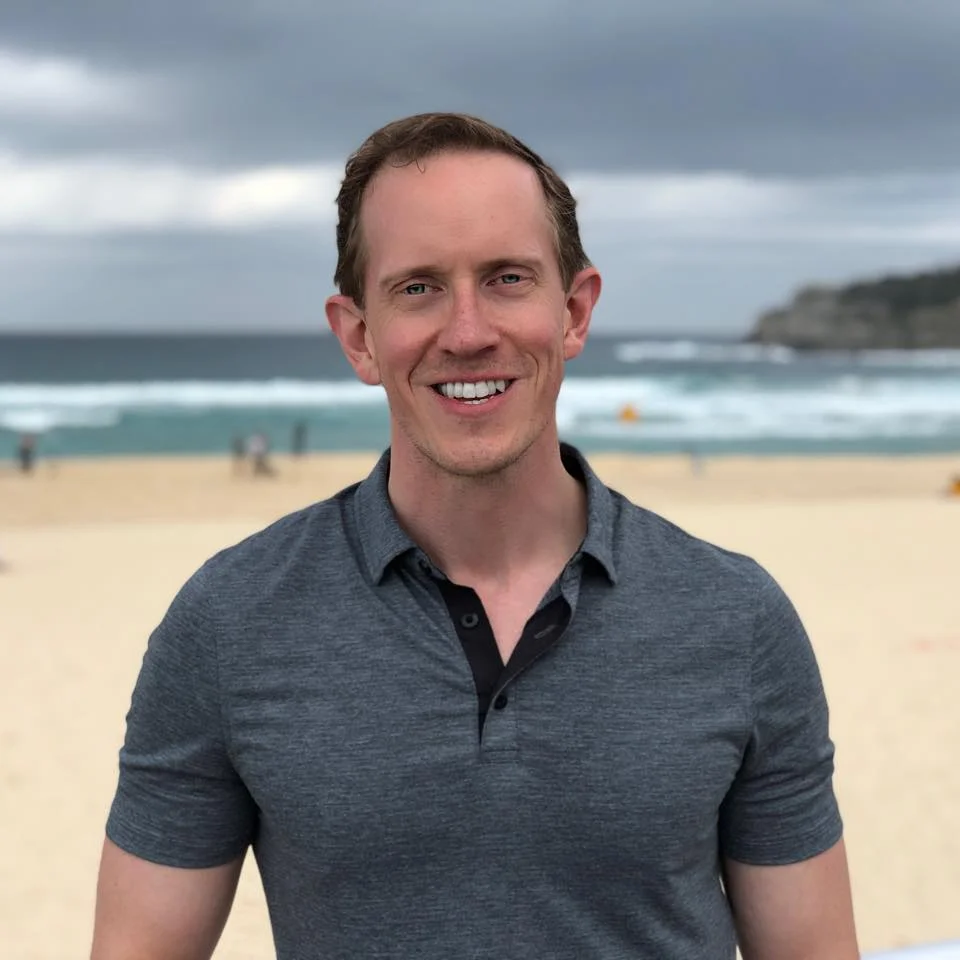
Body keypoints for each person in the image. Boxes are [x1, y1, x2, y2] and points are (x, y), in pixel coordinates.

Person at [90, 113, 859, 959]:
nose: (467, 332)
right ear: (358, 336)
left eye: (506, 279)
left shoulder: (737, 619)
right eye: (418, 287)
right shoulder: (230, 622)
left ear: (573, 311)